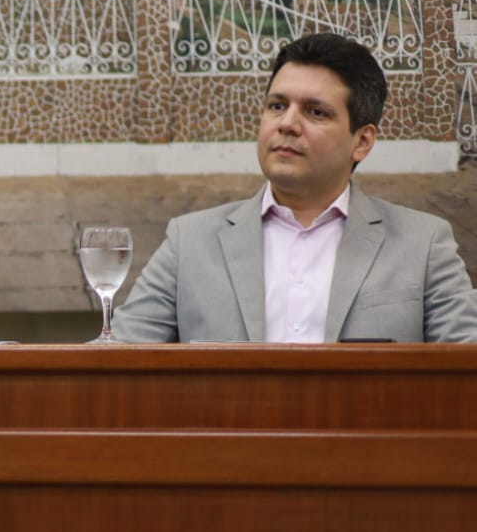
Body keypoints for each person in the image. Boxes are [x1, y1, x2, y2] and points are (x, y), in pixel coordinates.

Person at [114, 32, 477, 343]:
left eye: (315, 112)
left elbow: (465, 370)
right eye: (277, 105)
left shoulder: (423, 244)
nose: (287, 123)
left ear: (362, 141)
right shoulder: (189, 242)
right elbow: (111, 364)